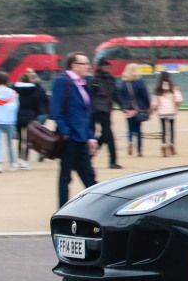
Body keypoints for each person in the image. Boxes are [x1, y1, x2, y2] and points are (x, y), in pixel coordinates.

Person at [50, 52, 99, 207]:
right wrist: (66, 132)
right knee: (66, 176)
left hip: (82, 137)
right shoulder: (62, 81)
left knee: (88, 175)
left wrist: (91, 137)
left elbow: (87, 114)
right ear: (74, 65)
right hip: (70, 138)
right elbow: (56, 110)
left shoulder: (83, 84)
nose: (88, 66)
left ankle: (98, 207)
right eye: (84, 63)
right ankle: (62, 209)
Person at [13, 70, 49, 170]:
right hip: (30, 116)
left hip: (19, 115)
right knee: (28, 139)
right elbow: (36, 104)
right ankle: (26, 157)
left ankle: (20, 156)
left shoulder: (16, 90)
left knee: (20, 138)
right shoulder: (33, 90)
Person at [90, 60, 123, 169]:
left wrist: (123, 106)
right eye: (104, 66)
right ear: (100, 66)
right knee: (94, 135)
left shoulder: (110, 79)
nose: (106, 68)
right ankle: (90, 158)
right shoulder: (93, 79)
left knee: (107, 135)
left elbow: (115, 94)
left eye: (107, 66)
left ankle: (110, 160)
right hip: (95, 110)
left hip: (105, 109)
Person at [117, 63, 151, 157]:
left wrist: (123, 106)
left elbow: (120, 96)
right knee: (139, 130)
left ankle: (130, 141)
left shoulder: (123, 83)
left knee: (130, 129)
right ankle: (139, 150)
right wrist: (148, 105)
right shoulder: (140, 81)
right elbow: (145, 95)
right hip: (139, 109)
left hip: (128, 110)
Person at [152, 71, 183, 157]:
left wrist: (154, 108)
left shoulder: (157, 89)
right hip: (171, 111)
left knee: (163, 130)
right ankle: (172, 145)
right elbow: (178, 99)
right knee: (171, 129)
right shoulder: (173, 88)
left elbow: (154, 102)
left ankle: (164, 145)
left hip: (162, 112)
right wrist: (176, 106)